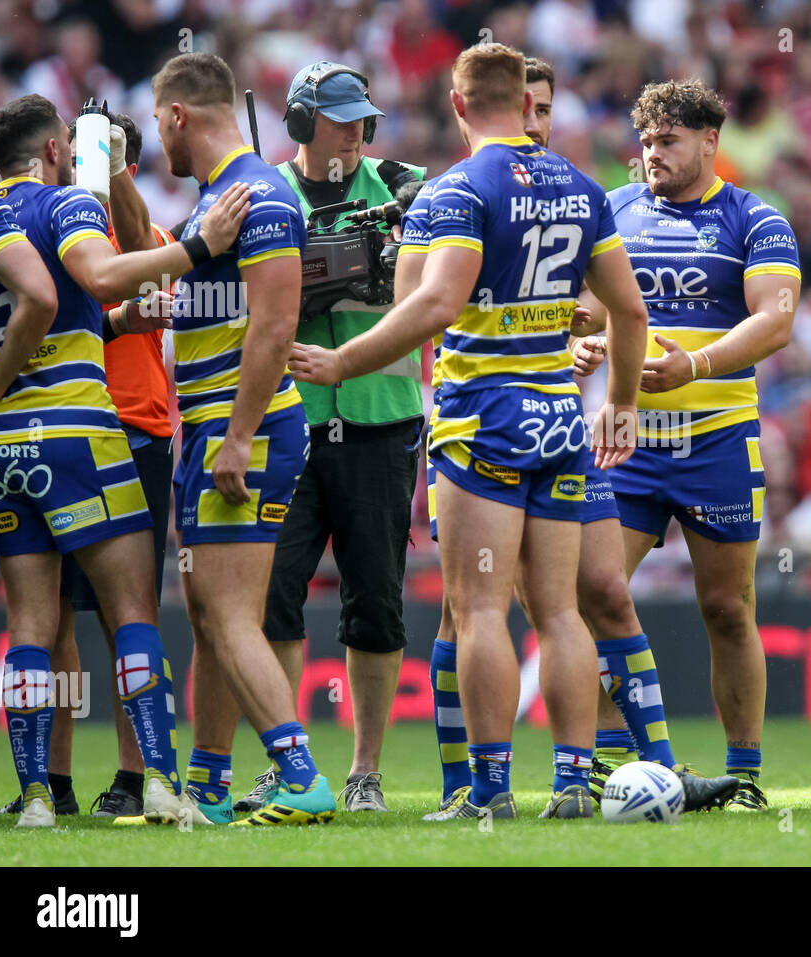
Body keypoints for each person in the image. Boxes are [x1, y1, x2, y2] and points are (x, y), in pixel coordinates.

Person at [290, 41, 648, 821]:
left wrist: (341, 361)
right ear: (526, 104)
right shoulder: (585, 188)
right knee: (559, 611)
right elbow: (630, 310)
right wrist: (619, 401)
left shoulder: (454, 191)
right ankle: (573, 782)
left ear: (456, 106)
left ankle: (488, 791)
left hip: (483, 420)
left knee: (481, 606)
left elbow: (431, 308)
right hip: (558, 413)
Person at [412, 56, 739, 817]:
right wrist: (576, 327)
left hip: (536, 416)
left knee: (599, 594)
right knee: (472, 610)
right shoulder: (483, 194)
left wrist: (582, 331)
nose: (539, 123)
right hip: (516, 415)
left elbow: (592, 299)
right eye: (532, 109)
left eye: (549, 110)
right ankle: (471, 780)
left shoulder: (573, 193)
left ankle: (645, 770)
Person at [0, 92, 248, 827]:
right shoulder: (65, 206)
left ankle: (38, 794)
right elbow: (95, 275)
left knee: (32, 621)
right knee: (130, 609)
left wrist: (111, 322)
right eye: (70, 145)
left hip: (1, 444)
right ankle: (160, 781)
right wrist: (201, 247)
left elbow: (60, 308)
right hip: (78, 431)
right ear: (53, 151)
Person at [574, 77, 803, 811]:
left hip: (718, 442)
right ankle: (612, 765)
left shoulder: (755, 218)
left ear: (712, 140)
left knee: (728, 607)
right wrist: (580, 340)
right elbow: (582, 305)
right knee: (599, 593)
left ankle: (744, 774)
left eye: (667, 141)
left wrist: (693, 366)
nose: (652, 155)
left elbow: (775, 321)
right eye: (645, 142)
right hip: (628, 443)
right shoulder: (613, 211)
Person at [230, 61, 427, 816]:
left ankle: (366, 770)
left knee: (374, 600)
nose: (354, 131)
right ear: (302, 123)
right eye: (339, 118)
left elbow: (441, 262)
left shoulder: (406, 186)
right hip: (290, 420)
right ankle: (291, 761)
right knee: (274, 596)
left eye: (361, 119)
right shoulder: (261, 193)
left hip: (382, 417)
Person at [150, 52, 335, 826]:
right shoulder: (217, 201)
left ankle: (300, 776)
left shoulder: (257, 195)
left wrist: (235, 436)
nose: (158, 135)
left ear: (178, 115)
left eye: (158, 121)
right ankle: (212, 786)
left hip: (242, 430)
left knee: (228, 613)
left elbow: (275, 324)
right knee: (207, 611)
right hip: (217, 426)